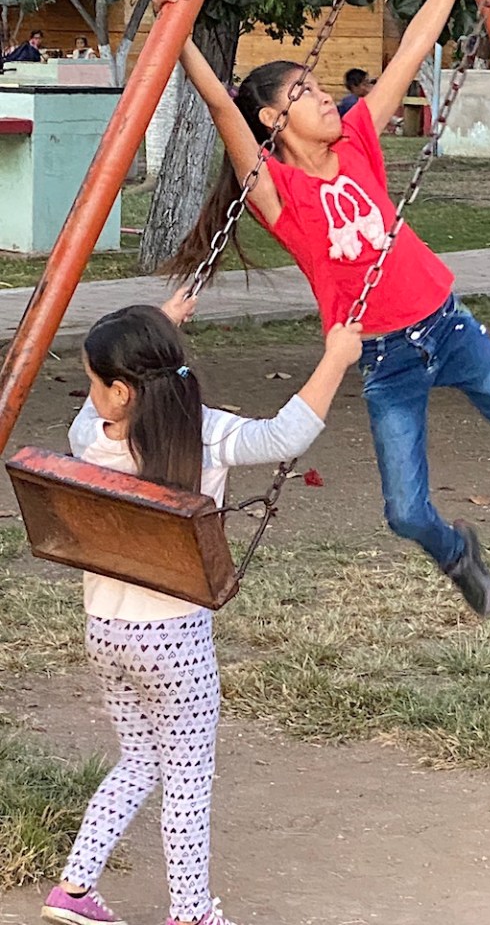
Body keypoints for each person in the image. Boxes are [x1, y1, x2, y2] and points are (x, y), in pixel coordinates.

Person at [154, 0, 490, 621]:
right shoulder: (277, 194)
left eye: (320, 87)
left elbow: (414, 45)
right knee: (405, 511)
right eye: (304, 92)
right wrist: (177, 29)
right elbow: (222, 107)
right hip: (385, 356)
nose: (324, 98)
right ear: (273, 118)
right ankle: (456, 553)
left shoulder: (359, 138)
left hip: (446, 324)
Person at [40, 287, 362, 925]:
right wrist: (336, 357)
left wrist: (159, 320)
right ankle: (190, 913)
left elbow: (112, 399)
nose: (91, 395)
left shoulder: (89, 436)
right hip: (175, 640)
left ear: (119, 392)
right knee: (187, 779)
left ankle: (74, 890)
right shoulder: (208, 434)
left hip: (106, 631)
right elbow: (286, 434)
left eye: (93, 382)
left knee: (140, 759)